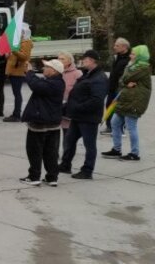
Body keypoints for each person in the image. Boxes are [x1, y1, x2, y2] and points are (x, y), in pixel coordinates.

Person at [60, 50, 109, 179]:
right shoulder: (87, 74)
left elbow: (96, 100)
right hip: (78, 116)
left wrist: (78, 107)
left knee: (89, 144)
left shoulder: (99, 78)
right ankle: (65, 165)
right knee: (69, 140)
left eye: (85, 59)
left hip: (89, 118)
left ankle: (87, 170)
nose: (83, 61)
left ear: (92, 60)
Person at [20, 59, 66, 186]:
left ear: (54, 71)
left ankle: (34, 176)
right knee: (51, 151)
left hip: (41, 123)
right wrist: (29, 72)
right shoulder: (55, 82)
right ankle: (52, 177)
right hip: (52, 123)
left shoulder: (54, 83)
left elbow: (36, 85)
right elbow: (38, 82)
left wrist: (29, 72)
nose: (44, 69)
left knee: (35, 150)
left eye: (47, 67)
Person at [104, 45, 151, 162]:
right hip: (125, 100)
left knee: (131, 127)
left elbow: (125, 78)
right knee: (114, 123)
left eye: (134, 54)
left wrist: (125, 79)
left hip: (135, 102)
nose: (131, 56)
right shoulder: (132, 66)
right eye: (131, 54)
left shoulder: (143, 68)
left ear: (140, 56)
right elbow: (122, 81)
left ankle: (134, 153)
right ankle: (116, 149)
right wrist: (125, 82)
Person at [2, 25, 34, 122]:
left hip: (18, 71)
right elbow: (13, 56)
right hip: (13, 70)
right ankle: (16, 113)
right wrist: (8, 55)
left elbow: (24, 57)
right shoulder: (18, 42)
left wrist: (14, 50)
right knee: (16, 93)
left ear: (23, 32)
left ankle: (17, 115)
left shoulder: (26, 42)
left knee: (17, 93)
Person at [102, 37, 132, 134]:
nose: (114, 47)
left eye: (117, 46)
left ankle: (119, 128)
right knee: (109, 106)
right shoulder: (118, 57)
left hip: (120, 89)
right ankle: (109, 127)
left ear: (124, 47)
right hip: (112, 87)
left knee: (118, 109)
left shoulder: (129, 59)